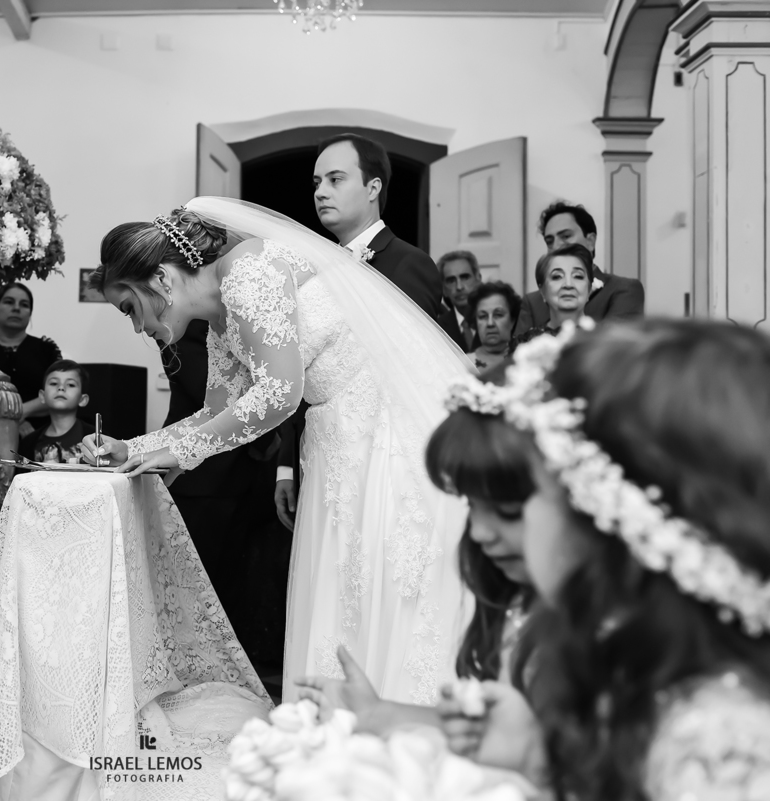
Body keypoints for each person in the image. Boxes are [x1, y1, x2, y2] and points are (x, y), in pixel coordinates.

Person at [82, 200, 474, 705]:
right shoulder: (222, 314)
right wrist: (132, 448)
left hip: (385, 433)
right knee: (347, 588)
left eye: (129, 308)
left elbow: (278, 394)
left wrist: (179, 455)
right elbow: (215, 411)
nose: (137, 328)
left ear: (160, 278)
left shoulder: (249, 273)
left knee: (387, 581)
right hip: (338, 438)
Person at [487, 320, 770, 799]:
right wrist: (537, 764)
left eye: (531, 492)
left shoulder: (718, 751)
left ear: (601, 519)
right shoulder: (641, 665)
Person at [294, 378, 544, 783]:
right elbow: (514, 739)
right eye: (471, 507)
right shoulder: (508, 601)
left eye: (508, 511)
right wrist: (379, 713)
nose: (479, 533)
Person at [274, 134, 462, 532]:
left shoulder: (410, 264)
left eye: (336, 179)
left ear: (373, 187)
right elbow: (303, 371)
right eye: (316, 183)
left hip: (387, 473)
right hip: (325, 459)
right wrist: (286, 466)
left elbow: (419, 381)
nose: (321, 192)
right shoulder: (312, 270)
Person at [159, 319, 289, 676]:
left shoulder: (235, 330)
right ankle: (198, 671)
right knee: (202, 585)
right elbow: (222, 401)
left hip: (247, 478)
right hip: (203, 480)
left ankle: (232, 669)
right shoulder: (180, 335)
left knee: (237, 581)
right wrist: (267, 442)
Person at [513, 201, 644, 337]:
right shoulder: (533, 301)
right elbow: (519, 354)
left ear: (590, 241)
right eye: (549, 241)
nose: (557, 246)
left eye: (566, 236)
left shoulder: (622, 289)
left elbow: (617, 347)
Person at [0, 282, 62, 437]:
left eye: (24, 305)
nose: (17, 308)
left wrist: (21, 412)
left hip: (40, 434)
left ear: (30, 313)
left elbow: (59, 391)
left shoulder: (46, 349)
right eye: (9, 302)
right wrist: (13, 418)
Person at [17, 359, 94, 463]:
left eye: (71, 385)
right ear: (42, 396)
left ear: (82, 400)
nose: (61, 388)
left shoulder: (95, 438)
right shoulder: (28, 443)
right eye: (54, 383)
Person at [514, 244, 592, 345]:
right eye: (557, 277)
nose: (568, 284)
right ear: (542, 291)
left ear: (589, 289)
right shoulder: (526, 344)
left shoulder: (607, 340)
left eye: (578, 276)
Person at [466, 281, 521, 374]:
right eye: (483, 316)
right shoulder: (462, 364)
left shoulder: (525, 361)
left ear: (512, 320)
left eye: (498, 315)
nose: (490, 323)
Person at [439, 250, 483, 353]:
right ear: (444, 289)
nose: (459, 287)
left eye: (465, 277)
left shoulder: (496, 319)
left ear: (478, 280)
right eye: (451, 280)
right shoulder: (437, 328)